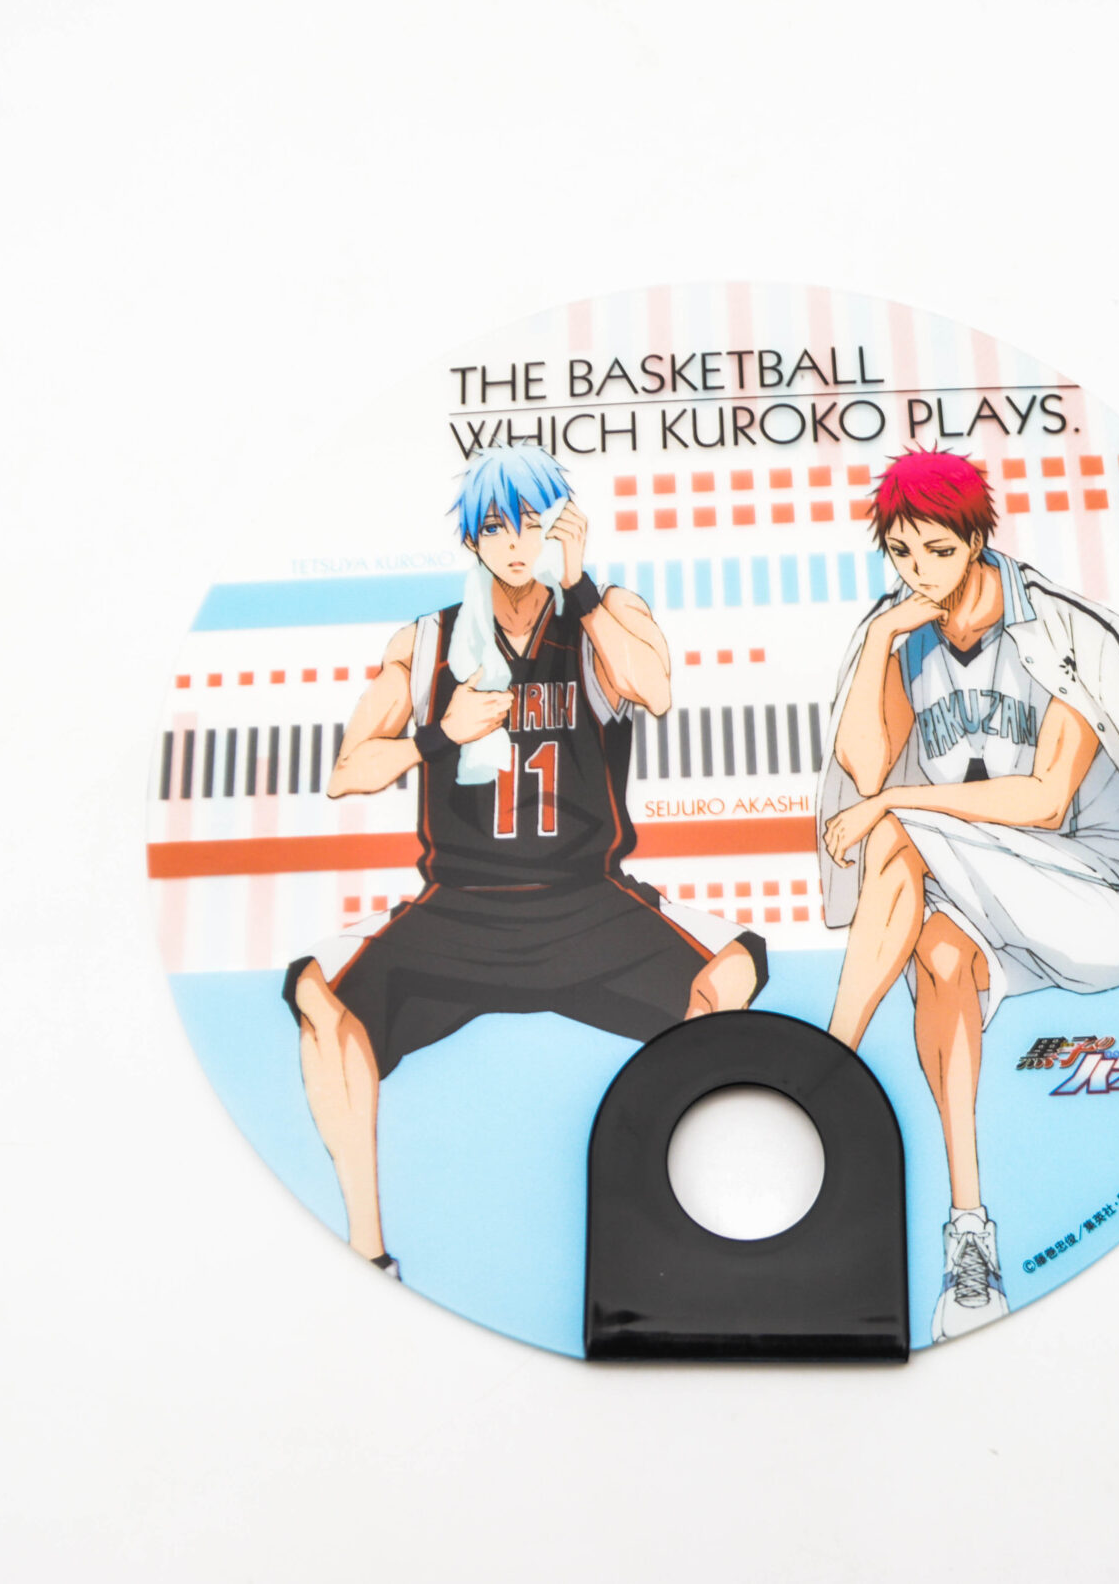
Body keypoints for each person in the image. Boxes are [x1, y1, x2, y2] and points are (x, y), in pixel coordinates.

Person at [286, 447, 765, 1277]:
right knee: (318, 997)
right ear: (473, 539)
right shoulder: (427, 642)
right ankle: (369, 1254)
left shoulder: (605, 612)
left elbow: (654, 689)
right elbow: (346, 771)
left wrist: (580, 589)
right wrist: (437, 735)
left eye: (533, 524)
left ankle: (688, 1220)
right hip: (461, 905)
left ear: (561, 528)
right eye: (497, 526)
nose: (516, 543)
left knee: (731, 974)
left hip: (588, 901)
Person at [816, 450, 1119, 1341]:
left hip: (1089, 903)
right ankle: (971, 1238)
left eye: (936, 550)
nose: (918, 571)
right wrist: (880, 645)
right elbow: (866, 767)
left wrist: (895, 803)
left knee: (897, 828)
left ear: (977, 539)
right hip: (990, 905)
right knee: (940, 957)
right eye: (900, 552)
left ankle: (819, 1069)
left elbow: (1042, 798)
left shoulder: (1060, 631)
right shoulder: (901, 632)